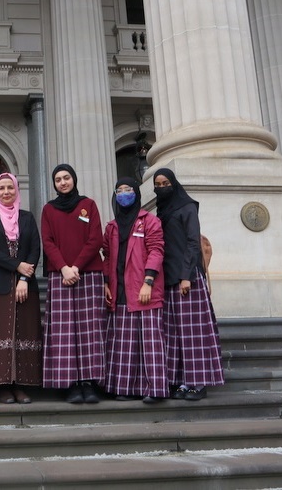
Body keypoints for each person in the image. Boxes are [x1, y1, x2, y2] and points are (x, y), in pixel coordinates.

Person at [153, 168, 224, 400]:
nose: (162, 187)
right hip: (169, 280)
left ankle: (198, 382)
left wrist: (186, 276)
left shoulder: (187, 207)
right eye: (158, 184)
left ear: (174, 183)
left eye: (166, 183)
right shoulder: (161, 211)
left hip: (187, 279)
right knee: (174, 333)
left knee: (193, 333)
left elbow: (193, 242)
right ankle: (181, 381)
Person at [40, 164, 106, 404]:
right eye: (58, 179)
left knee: (90, 329)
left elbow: (95, 239)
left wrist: (75, 266)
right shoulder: (48, 209)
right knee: (64, 331)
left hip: (87, 274)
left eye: (66, 178)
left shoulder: (88, 205)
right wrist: (64, 268)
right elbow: (47, 242)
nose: (63, 182)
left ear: (74, 179)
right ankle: (70, 384)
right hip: (60, 276)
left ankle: (89, 382)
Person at [0, 173, 42, 404]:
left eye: (10, 188)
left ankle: (21, 386)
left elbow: (35, 248)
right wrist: (17, 265)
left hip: (26, 285)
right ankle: (1, 387)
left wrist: (24, 278)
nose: (6, 192)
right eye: (2, 188)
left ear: (16, 190)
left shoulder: (27, 217)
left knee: (24, 332)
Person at [103, 177, 167, 404]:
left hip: (144, 288)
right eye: (118, 190)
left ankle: (155, 389)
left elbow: (157, 250)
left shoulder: (150, 221)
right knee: (124, 342)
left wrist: (148, 281)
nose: (123, 194)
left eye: (127, 189)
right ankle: (124, 387)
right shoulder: (111, 226)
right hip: (119, 289)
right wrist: (105, 283)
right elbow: (108, 257)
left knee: (151, 341)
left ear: (136, 193)